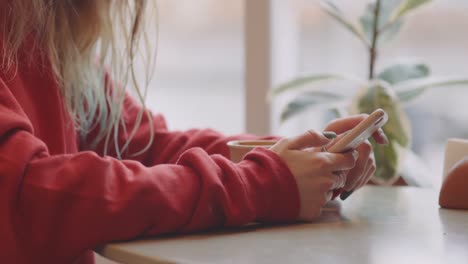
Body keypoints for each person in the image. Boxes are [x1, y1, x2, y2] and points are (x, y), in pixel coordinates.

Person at [0, 1, 388, 264]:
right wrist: (263, 183)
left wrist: (300, 157)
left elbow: (142, 146)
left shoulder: (51, 22)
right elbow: (26, 196)